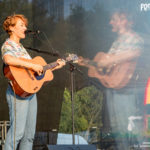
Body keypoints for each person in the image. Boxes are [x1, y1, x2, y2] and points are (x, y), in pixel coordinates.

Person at [79, 12, 144, 149]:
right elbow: (106, 65)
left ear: (125, 19)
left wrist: (109, 61)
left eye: (114, 19)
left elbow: (135, 52)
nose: (111, 23)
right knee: (117, 128)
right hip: (113, 87)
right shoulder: (117, 42)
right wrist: (84, 62)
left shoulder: (134, 38)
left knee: (130, 127)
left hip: (127, 89)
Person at [1, 14, 66, 150]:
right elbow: (8, 60)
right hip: (17, 92)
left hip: (30, 92)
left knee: (29, 135)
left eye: (25, 25)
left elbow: (35, 74)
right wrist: (32, 66)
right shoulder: (8, 45)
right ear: (11, 28)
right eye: (21, 25)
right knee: (16, 134)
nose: (25, 27)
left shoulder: (23, 49)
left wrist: (54, 66)